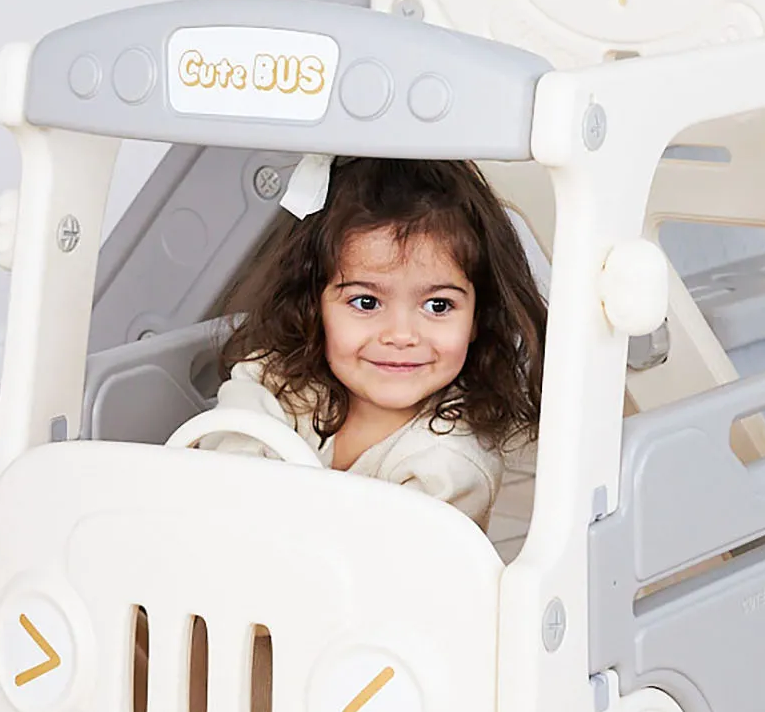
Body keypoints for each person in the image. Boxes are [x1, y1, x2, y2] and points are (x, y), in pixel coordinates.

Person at [205, 155, 544, 528]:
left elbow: (376, 560)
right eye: (366, 302)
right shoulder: (276, 379)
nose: (401, 335)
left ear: (478, 317)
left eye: (438, 305)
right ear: (314, 304)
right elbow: (221, 476)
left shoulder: (449, 465)